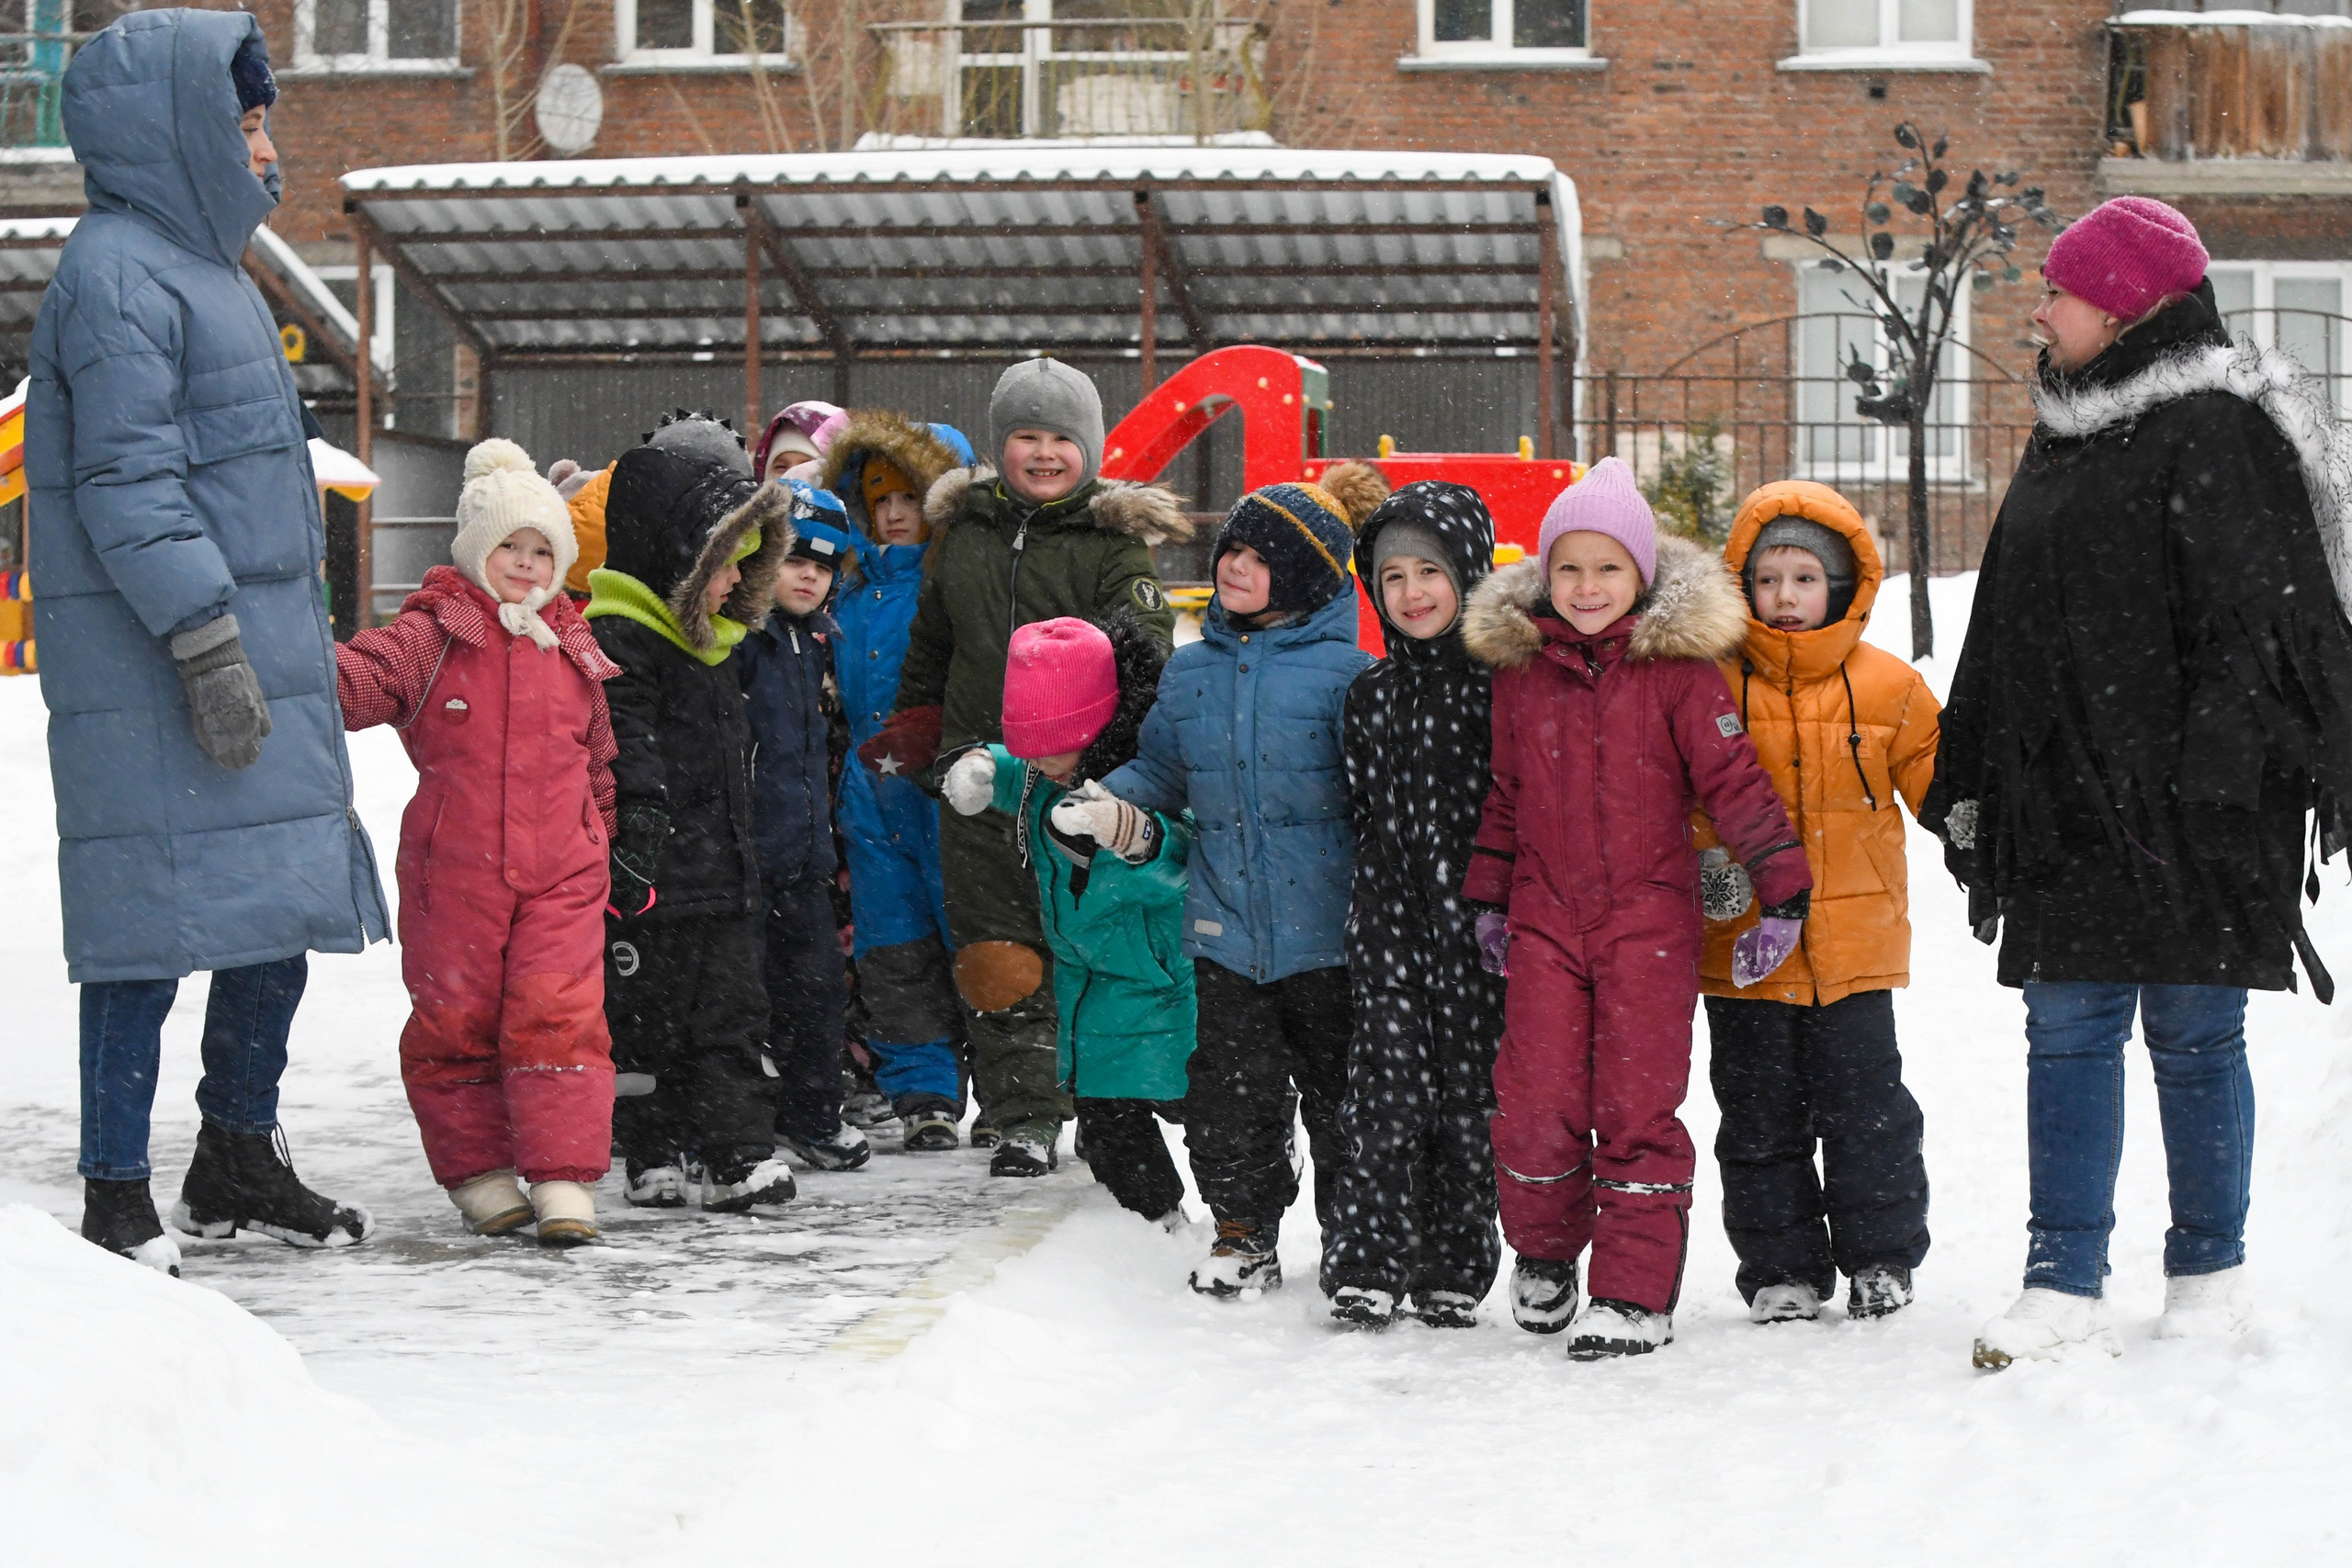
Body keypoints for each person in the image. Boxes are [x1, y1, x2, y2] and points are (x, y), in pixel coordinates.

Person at [1923, 198, 2352, 1369]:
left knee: (2194, 1036)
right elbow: (2004, 615)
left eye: (2056, 291)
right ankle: (2061, 1282)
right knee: (2063, 1033)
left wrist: (2209, 782)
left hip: (2192, 811)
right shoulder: (2063, 431)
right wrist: (1981, 765)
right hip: (2064, 801)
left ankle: (2208, 1275)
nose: (2038, 312)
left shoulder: (2219, 428)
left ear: (2121, 304)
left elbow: (2265, 628)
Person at [30, 10, 388, 1274]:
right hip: (160, 670)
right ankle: (114, 1193)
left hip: (250, 652)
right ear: (180, 132)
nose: (267, 149)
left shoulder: (207, 269)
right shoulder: (117, 275)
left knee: (274, 913)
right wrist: (202, 640)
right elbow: (129, 485)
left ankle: (235, 1154)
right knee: (147, 931)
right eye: (245, 125)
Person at [1460, 457, 1812, 1359]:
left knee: (1635, 1106)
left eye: (1608, 567)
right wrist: (1488, 898)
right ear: (1545, 574)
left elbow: (1734, 783)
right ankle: (1545, 1252)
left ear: (1642, 576)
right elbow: (1506, 794)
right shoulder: (1522, 675)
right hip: (1544, 919)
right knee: (1533, 1098)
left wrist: (1782, 887)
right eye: (1569, 567)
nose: (1587, 587)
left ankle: (1631, 1292)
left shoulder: (1678, 674)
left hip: (1647, 924)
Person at [860, 359, 1188, 1178]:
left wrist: (1107, 768)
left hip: (1072, 787)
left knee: (1084, 950)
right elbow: (933, 646)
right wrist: (919, 733)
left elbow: (1144, 661)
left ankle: (1101, 1103)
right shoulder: (965, 535)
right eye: (1026, 437)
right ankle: (1023, 1115)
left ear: (1090, 449)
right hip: (975, 781)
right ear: (1000, 444)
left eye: (1061, 439)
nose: (1043, 454)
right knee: (994, 955)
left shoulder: (1111, 543)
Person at [1102, 465, 1390, 1297]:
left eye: (1261, 557)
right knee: (1230, 1097)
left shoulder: (1349, 675)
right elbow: (1162, 769)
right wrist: (1105, 802)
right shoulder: (1191, 671)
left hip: (1331, 934)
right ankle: (1242, 1228)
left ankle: (1357, 1242)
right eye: (1232, 546)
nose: (1234, 564)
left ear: (1300, 577)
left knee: (1345, 1100)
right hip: (1224, 930)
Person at [335, 439, 618, 1246]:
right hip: (455, 870)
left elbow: (597, 755)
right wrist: (295, 660)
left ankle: (563, 1176)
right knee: (456, 1017)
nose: (527, 564)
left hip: (564, 870)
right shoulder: (435, 634)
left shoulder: (572, 641)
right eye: (510, 547)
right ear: (474, 550)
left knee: (558, 1012)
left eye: (542, 551)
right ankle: (480, 1175)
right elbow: (360, 681)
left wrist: (607, 835)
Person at [1695, 481, 1939, 1325]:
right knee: (1757, 1118)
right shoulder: (1711, 682)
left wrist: (1979, 831)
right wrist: (1705, 864)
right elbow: (1676, 795)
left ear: (1842, 585)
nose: (1785, 597)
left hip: (1854, 946)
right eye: (1768, 580)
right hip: (1744, 945)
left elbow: (1938, 781)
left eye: (1805, 578)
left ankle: (1880, 1256)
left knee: (1869, 1114)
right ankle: (1781, 1268)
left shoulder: (1889, 686)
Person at [585, 412, 795, 1212]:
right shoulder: (624, 640)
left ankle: (736, 1152)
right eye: (722, 565)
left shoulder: (713, 646)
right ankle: (653, 1148)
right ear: (678, 559)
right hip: (654, 880)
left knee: (732, 1019)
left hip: (722, 875)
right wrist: (639, 836)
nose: (733, 582)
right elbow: (626, 749)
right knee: (648, 1024)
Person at [1318, 481, 1509, 1331]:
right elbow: (1364, 809)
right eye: (1391, 577)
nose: (1412, 592)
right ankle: (1368, 1262)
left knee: (1471, 1102)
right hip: (1391, 924)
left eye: (1430, 571)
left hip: (1482, 930)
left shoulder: (1502, 686)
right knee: (1384, 1096)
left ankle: (1454, 1264)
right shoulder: (1371, 694)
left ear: (1467, 572)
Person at [944, 615, 1194, 1214]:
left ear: (1096, 724)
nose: (1043, 765)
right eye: (1028, 750)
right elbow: (1025, 772)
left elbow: (1189, 854)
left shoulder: (1154, 770)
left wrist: (1134, 834)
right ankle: (1153, 1226)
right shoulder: (1044, 769)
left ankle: (1249, 1203)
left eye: (1054, 749)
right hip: (1091, 987)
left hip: (1168, 980)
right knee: (1110, 1128)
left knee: (1209, 1113)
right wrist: (987, 765)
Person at [820, 412, 976, 1149]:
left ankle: (1006, 1085)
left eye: (909, 497)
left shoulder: (952, 584)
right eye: (879, 499)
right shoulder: (849, 592)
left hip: (947, 788)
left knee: (971, 936)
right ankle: (923, 1091)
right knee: (893, 944)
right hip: (871, 796)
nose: (893, 513)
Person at [738, 480, 866, 1171]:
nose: (809, 575)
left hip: (805, 859)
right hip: (746, 859)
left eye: (823, 564)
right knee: (741, 1001)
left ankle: (813, 1114)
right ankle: (734, 1125)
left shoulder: (816, 642)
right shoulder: (742, 641)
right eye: (794, 559)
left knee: (816, 991)